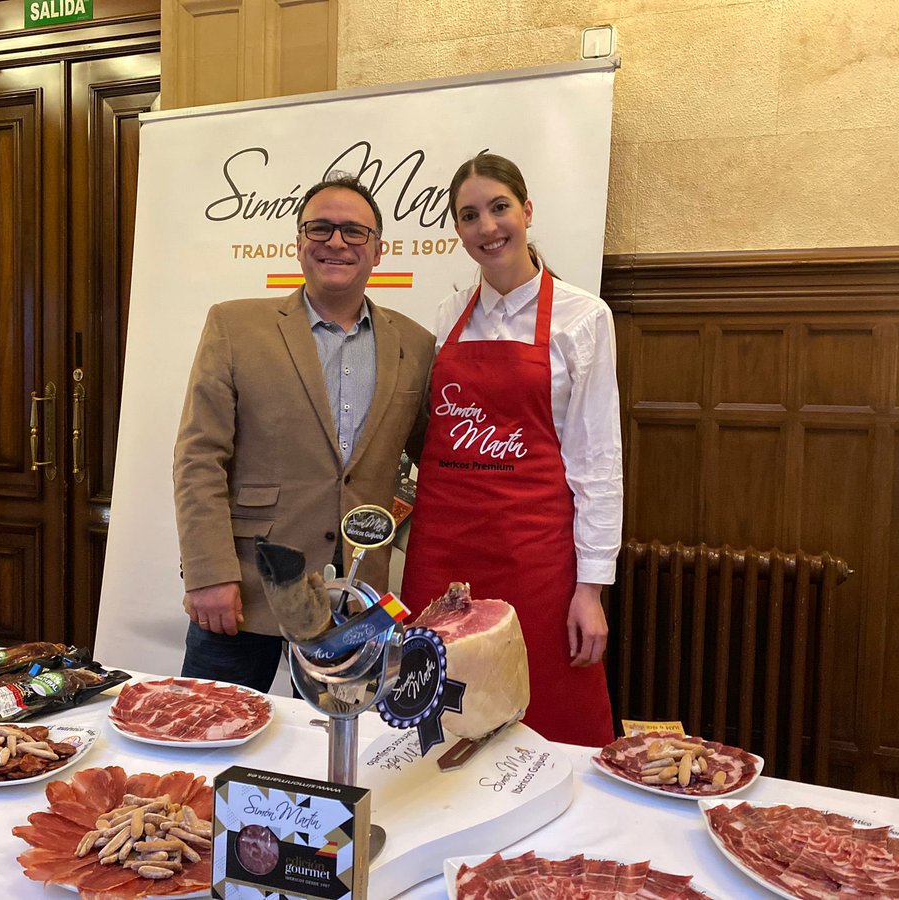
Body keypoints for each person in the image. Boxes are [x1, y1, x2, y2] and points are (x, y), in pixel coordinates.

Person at [173, 173, 434, 691]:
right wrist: (207, 572)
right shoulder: (234, 326)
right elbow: (199, 457)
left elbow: (439, 464)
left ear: (377, 251)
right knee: (209, 742)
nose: (336, 242)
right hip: (246, 588)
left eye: (354, 232)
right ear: (298, 244)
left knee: (335, 752)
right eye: (321, 228)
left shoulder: (417, 344)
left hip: (356, 596)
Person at [401, 154, 622, 747]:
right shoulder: (448, 315)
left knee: (548, 714)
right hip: (442, 551)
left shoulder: (582, 316)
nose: (487, 227)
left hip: (535, 554)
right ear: (457, 230)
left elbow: (599, 463)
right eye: (469, 215)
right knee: (437, 721)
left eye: (499, 207)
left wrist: (592, 588)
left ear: (527, 210)